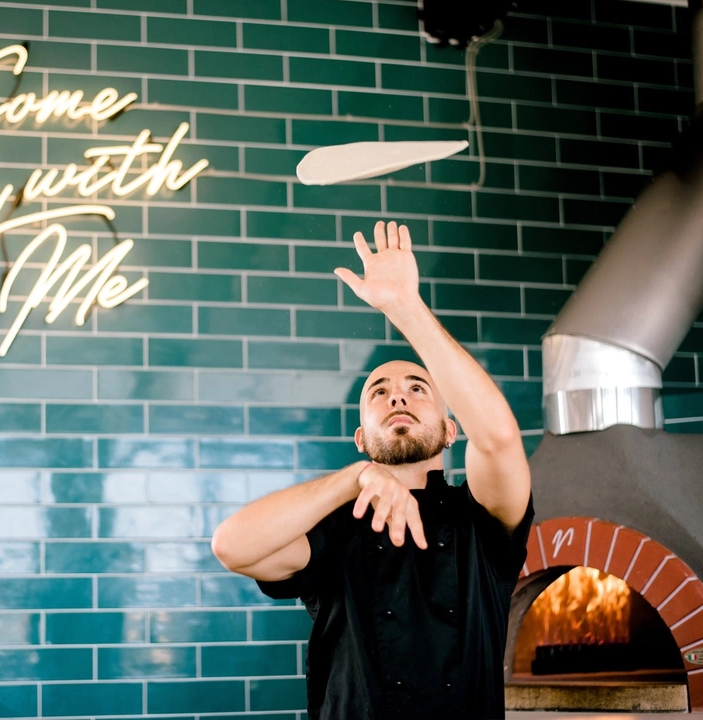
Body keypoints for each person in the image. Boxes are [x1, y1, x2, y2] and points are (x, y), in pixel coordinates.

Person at [211, 220, 534, 720]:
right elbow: (231, 545)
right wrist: (356, 478)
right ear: (361, 438)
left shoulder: (482, 519)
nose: (397, 394)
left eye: (417, 388)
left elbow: (497, 438)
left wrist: (405, 307)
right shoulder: (333, 525)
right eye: (378, 392)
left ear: (451, 432)